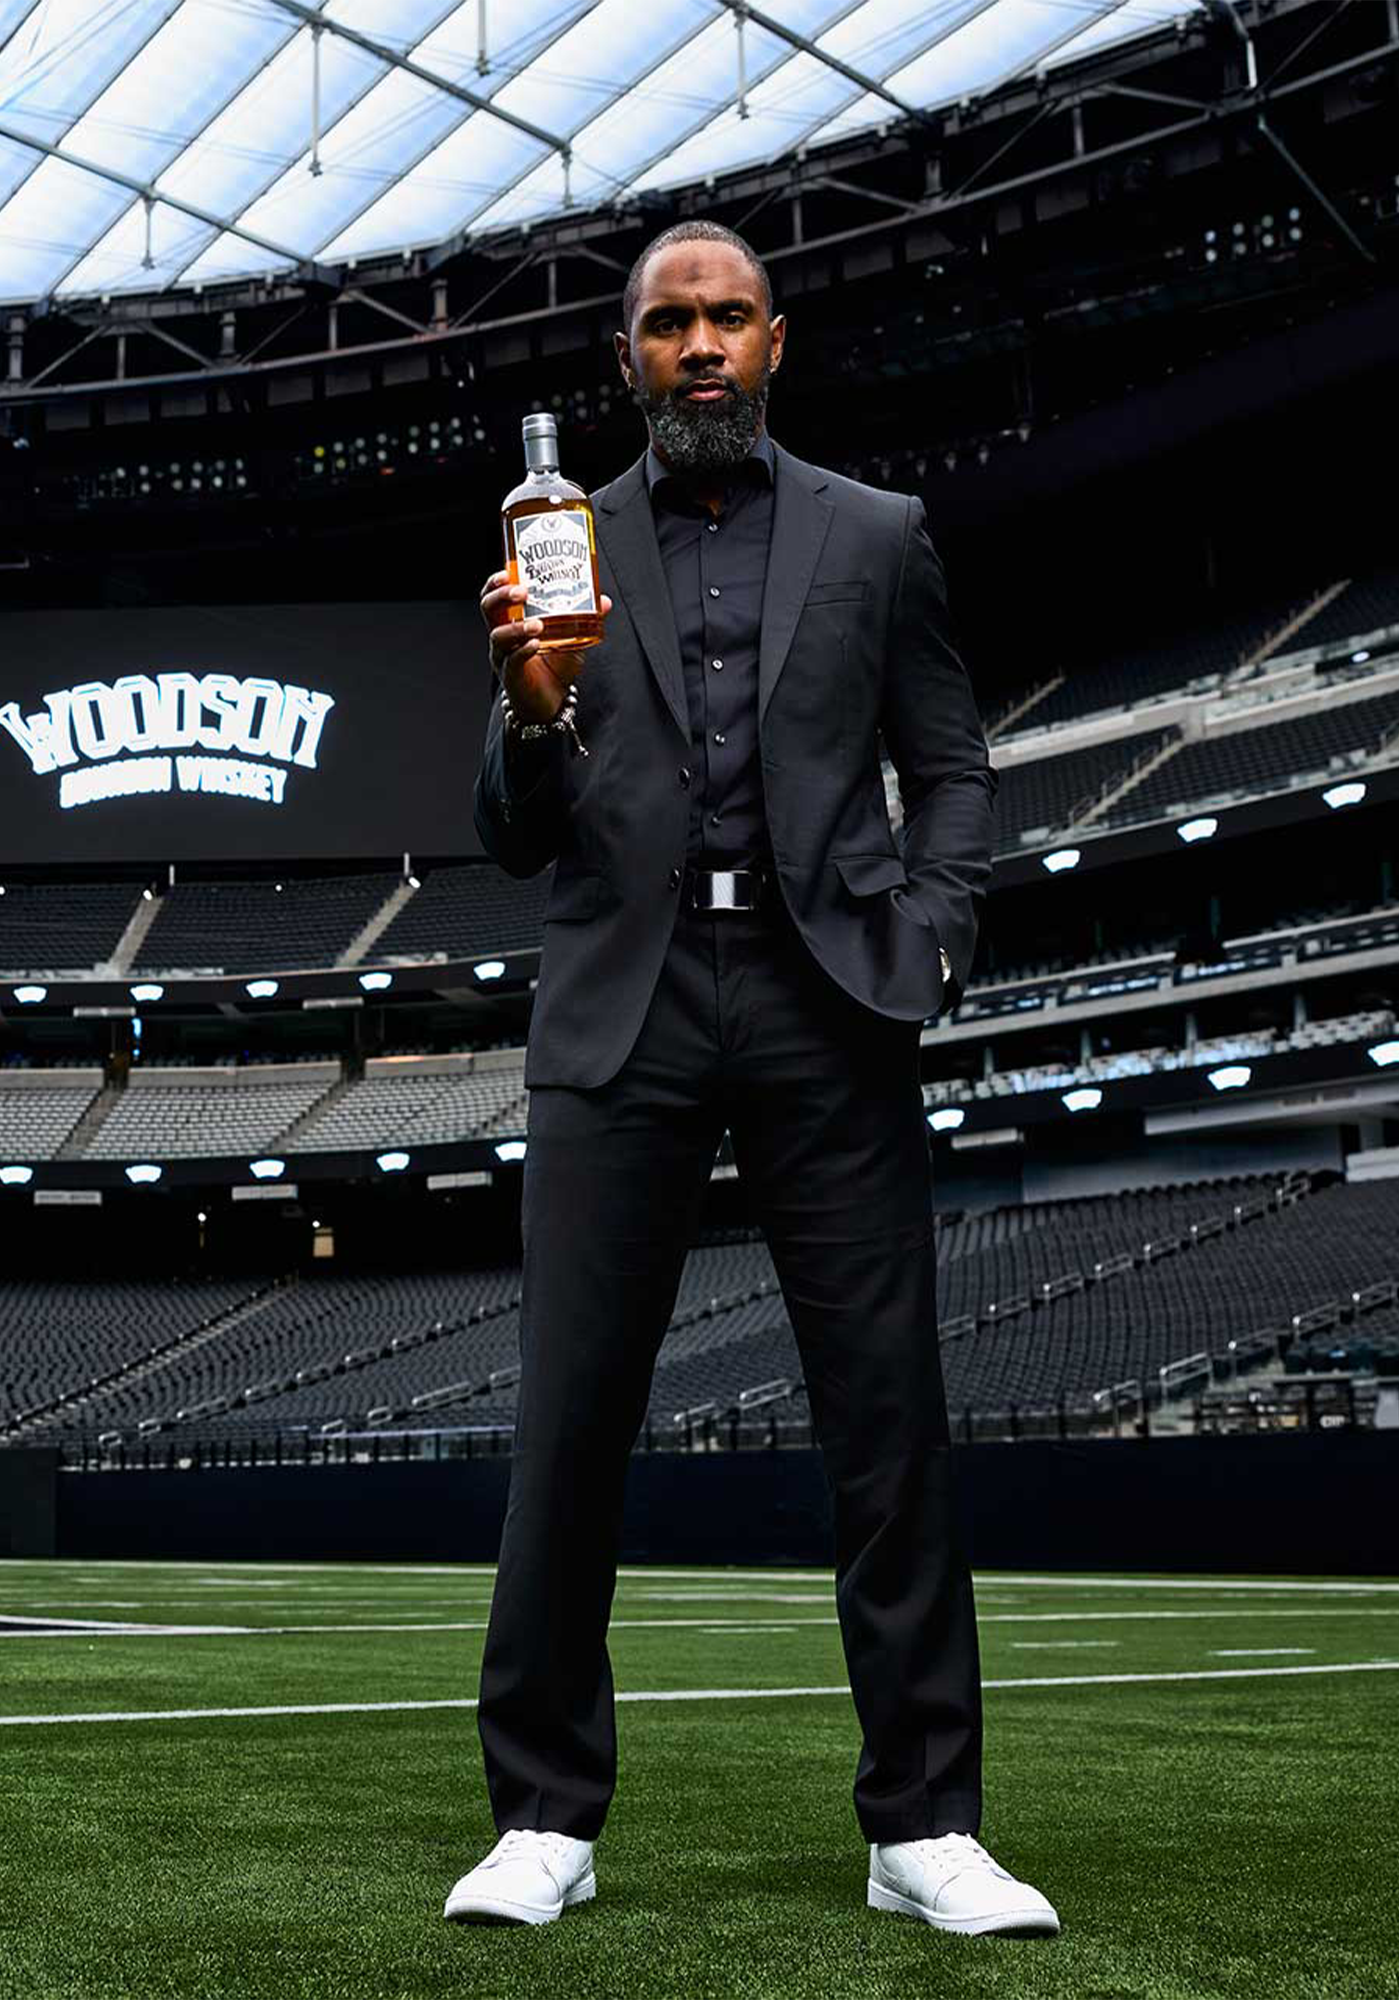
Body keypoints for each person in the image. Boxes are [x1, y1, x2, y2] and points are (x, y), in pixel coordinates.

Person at [442, 221, 1058, 1938]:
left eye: (726, 319)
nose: (698, 345)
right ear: (624, 356)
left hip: (827, 995)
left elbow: (950, 767)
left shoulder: (879, 535)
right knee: (568, 1424)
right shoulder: (555, 543)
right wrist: (530, 705)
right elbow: (510, 831)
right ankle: (544, 1816)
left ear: (775, 341)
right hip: (620, 1009)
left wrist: (932, 935)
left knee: (888, 1427)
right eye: (666, 324)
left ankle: (924, 1823)